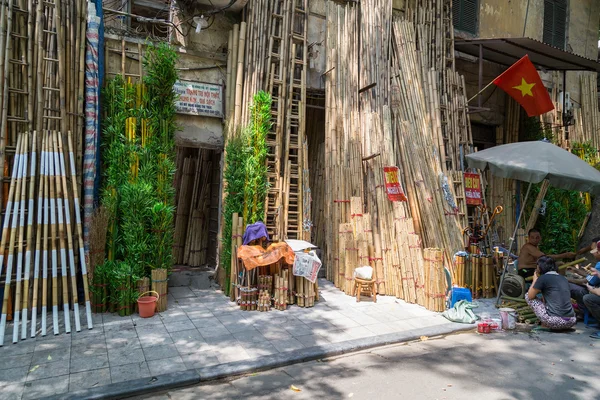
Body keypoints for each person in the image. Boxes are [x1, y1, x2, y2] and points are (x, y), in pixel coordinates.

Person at [526, 256, 577, 330]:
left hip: (555, 322)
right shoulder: (563, 278)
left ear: (540, 267)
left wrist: (535, 280)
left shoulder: (543, 278)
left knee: (527, 295)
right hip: (571, 321)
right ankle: (547, 323)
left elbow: (530, 296)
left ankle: (546, 324)